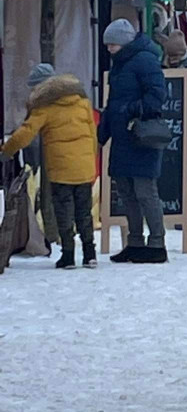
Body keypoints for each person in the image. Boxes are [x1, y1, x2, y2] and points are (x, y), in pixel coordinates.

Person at [1, 64, 98, 269]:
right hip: (84, 166)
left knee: (63, 211)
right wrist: (90, 158)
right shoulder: (81, 101)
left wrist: (6, 150)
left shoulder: (44, 106)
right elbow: (92, 133)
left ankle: (69, 256)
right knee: (84, 212)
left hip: (61, 168)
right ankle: (90, 254)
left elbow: (26, 133)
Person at [98, 19, 169, 264]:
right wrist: (105, 129)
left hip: (140, 136)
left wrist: (130, 110)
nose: (108, 48)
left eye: (112, 43)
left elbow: (157, 96)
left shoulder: (144, 60)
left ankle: (157, 243)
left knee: (145, 191)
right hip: (123, 136)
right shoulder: (120, 64)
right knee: (127, 192)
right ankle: (135, 241)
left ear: (124, 42)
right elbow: (112, 102)